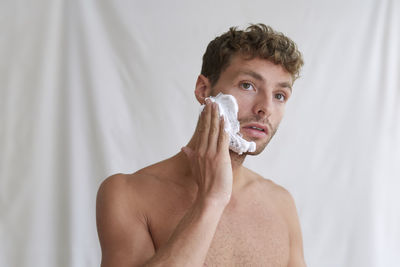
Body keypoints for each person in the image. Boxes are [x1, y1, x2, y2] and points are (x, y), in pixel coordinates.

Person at [96, 23, 306, 266]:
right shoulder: (128, 194)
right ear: (203, 89)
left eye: (279, 95)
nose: (265, 108)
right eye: (248, 85)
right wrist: (211, 200)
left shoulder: (281, 204)